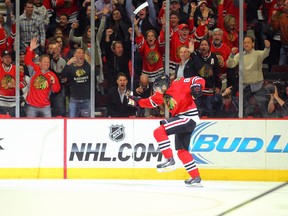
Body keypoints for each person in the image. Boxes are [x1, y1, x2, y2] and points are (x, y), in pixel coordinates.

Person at [128, 74, 206, 187]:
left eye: (159, 87)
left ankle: (169, 159)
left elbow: (197, 79)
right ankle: (195, 177)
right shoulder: (162, 95)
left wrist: (198, 85)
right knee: (182, 151)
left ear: (164, 84)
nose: (158, 90)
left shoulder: (179, 82)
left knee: (159, 132)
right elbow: (149, 102)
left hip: (187, 117)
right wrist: (137, 100)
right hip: (183, 119)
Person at [227, 36, 271, 117]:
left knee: (262, 107)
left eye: (248, 42)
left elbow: (265, 53)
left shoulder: (258, 54)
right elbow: (230, 65)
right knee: (245, 109)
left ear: (253, 44)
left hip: (258, 86)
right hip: (245, 87)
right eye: (245, 43)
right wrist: (232, 55)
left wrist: (267, 47)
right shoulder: (239, 55)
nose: (246, 44)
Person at [24, 38, 61, 117]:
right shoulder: (34, 69)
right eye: (44, 62)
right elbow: (27, 60)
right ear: (39, 63)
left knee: (48, 127)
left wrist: (53, 83)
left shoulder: (52, 75)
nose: (47, 64)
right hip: (31, 105)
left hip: (45, 106)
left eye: (48, 62)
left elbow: (56, 89)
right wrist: (30, 49)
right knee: (29, 127)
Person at [61, 47, 92, 117]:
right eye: (79, 53)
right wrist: (68, 63)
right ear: (75, 55)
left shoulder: (88, 66)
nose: (81, 55)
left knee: (87, 123)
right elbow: (62, 75)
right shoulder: (71, 66)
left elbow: (97, 73)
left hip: (87, 99)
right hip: (74, 100)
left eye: (82, 53)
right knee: (72, 122)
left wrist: (90, 62)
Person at [0, 50, 27, 117]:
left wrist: (16, 85)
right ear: (2, 59)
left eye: (9, 57)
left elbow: (24, 83)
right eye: (5, 57)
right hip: (1, 101)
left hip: (13, 102)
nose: (7, 59)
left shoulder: (16, 69)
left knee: (12, 123)